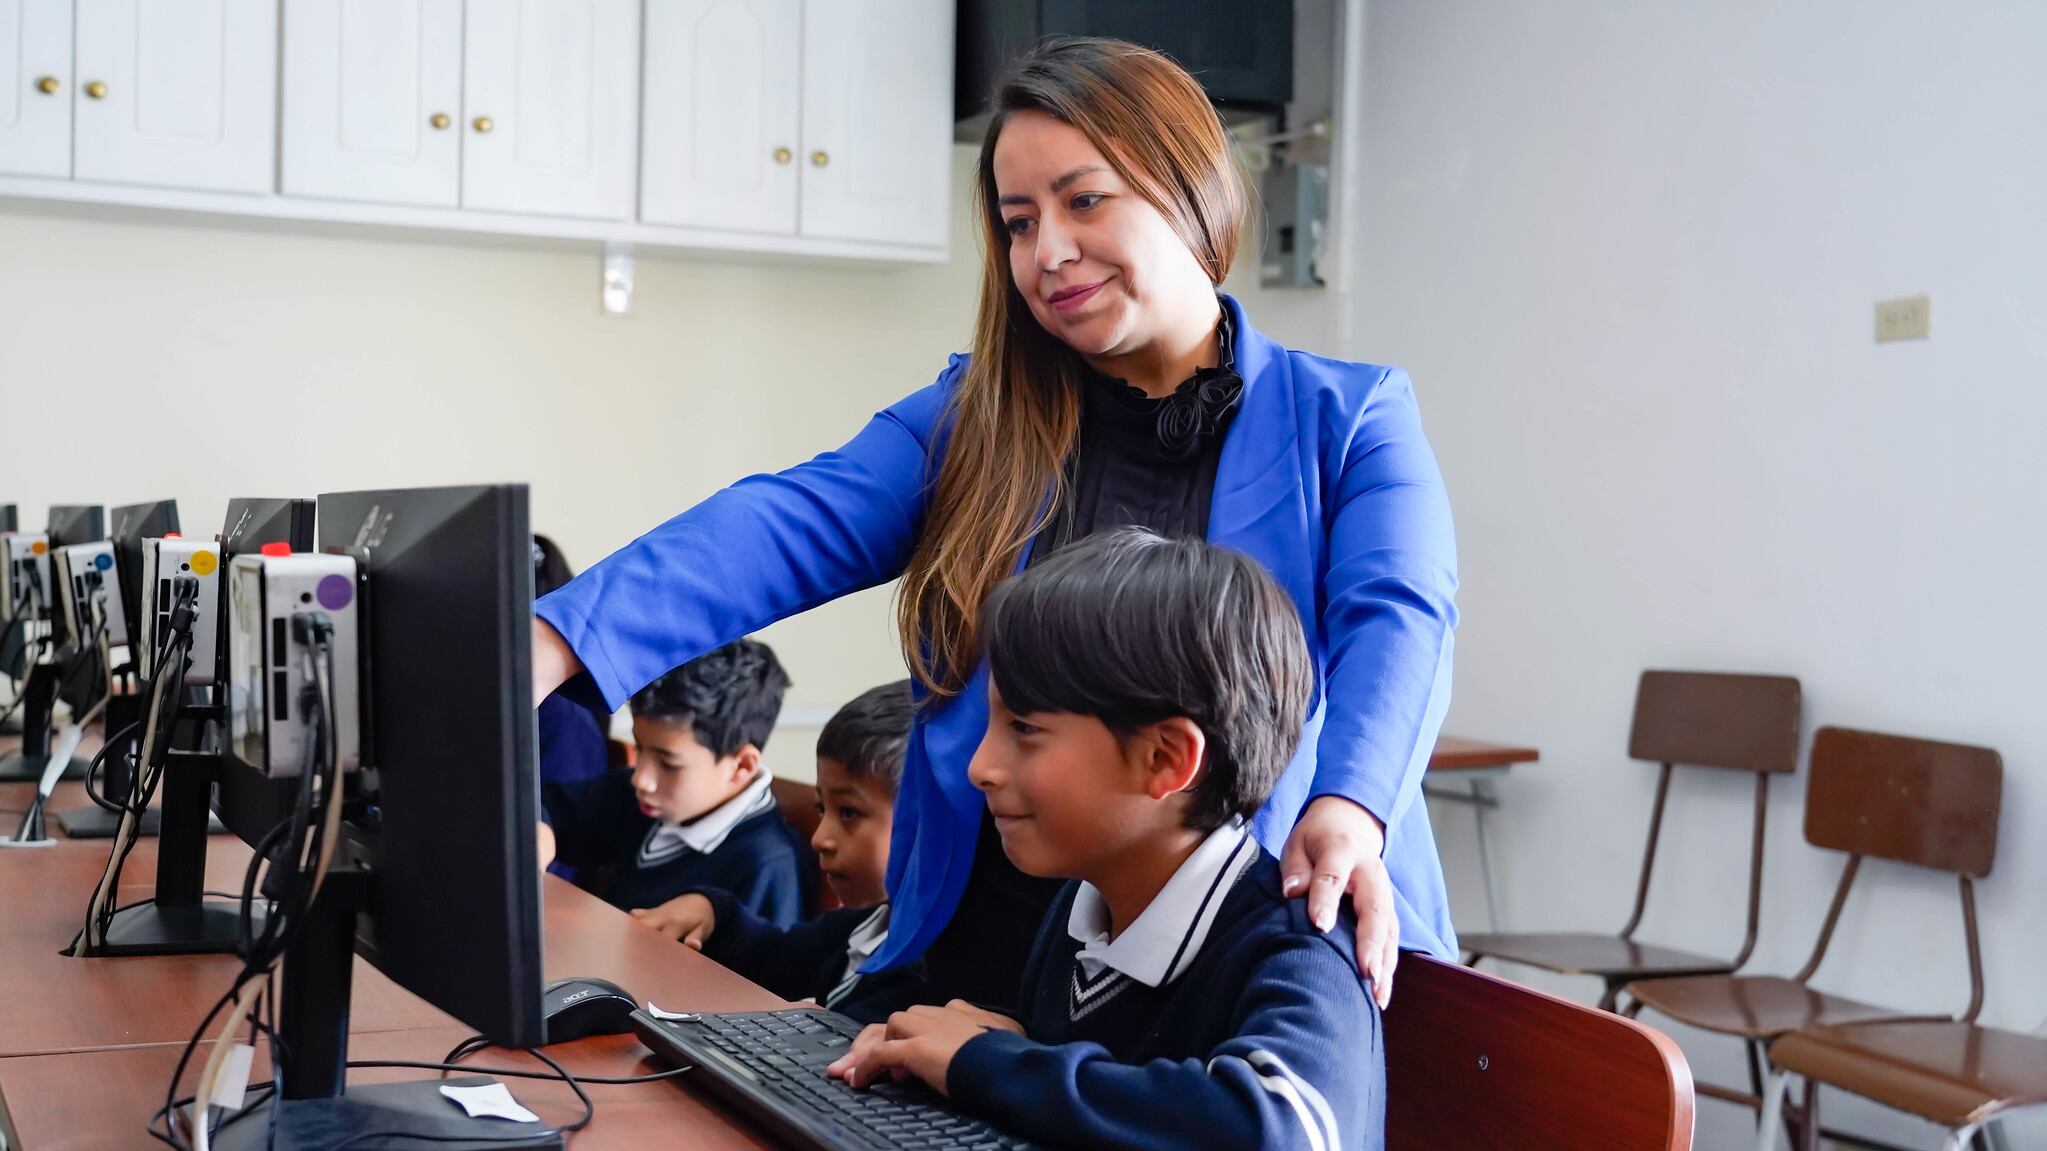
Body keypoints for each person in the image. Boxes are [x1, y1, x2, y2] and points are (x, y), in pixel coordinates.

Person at [532, 37, 1458, 1013]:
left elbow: (1398, 615)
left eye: (1083, 199)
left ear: (1189, 187)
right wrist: (554, 636)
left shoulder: (1349, 419)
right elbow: (789, 521)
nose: (1046, 250)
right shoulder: (981, 416)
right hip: (989, 960)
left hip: (1229, 964)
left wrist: (1349, 805)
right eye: (1018, 222)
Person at [827, 531, 1381, 1150]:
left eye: (1025, 729)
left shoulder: (1298, 945)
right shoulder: (1082, 906)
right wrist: (1005, 1055)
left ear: (1164, 759)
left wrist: (991, 1066)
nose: (980, 766)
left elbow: (1279, 1133)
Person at [634, 680, 923, 1021]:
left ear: (929, 823)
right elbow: (777, 957)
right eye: (821, 809)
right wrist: (714, 913)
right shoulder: (864, 924)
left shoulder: (926, 979)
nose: (820, 838)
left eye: (849, 813)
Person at [536, 639, 811, 925]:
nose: (641, 779)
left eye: (668, 764)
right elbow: (547, 805)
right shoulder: (640, 799)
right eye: (640, 748)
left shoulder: (768, 866)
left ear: (741, 766)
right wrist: (540, 828)